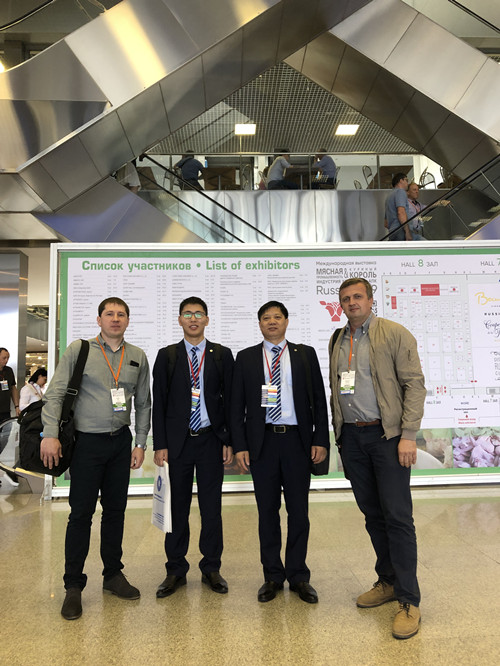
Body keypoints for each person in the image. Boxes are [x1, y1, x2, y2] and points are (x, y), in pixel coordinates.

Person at [41, 297, 151, 621]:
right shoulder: (80, 350)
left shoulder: (137, 356)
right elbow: (55, 393)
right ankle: (73, 586)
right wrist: (49, 434)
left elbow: (143, 403)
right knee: (81, 514)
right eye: (109, 314)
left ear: (128, 320)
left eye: (121, 314)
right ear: (99, 319)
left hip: (121, 443)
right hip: (86, 444)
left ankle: (113, 575)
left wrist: (140, 443)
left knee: (115, 512)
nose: (115, 319)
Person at [328, 278, 426, 639]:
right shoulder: (338, 339)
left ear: (371, 300)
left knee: (398, 518)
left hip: (388, 437)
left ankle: (409, 600)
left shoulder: (394, 333)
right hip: (353, 439)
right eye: (345, 299)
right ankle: (387, 581)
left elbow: (414, 385)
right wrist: (340, 436)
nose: (352, 302)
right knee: (373, 515)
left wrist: (408, 435)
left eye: (358, 296)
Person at [231, 301, 329, 604]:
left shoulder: (304, 354)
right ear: (259, 324)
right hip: (263, 443)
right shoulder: (246, 357)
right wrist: (241, 445)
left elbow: (318, 399)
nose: (272, 321)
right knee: (267, 512)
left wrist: (321, 439)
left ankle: (299, 575)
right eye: (266, 318)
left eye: (277, 317)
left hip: (297, 442)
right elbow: (236, 406)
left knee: (299, 512)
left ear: (286, 321)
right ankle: (272, 575)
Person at [152, 297, 234, 598]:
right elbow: (159, 402)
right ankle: (175, 569)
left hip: (211, 440)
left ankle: (211, 567)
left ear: (207, 320)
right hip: (178, 444)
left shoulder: (221, 354)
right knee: (177, 508)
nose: (193, 318)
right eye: (187, 314)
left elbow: (231, 401)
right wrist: (160, 444)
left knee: (211, 508)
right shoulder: (168, 355)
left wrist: (228, 440)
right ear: (180, 320)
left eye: (199, 313)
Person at [384, 173, 412, 241]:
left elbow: (386, 223)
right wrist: (407, 232)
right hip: (401, 231)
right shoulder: (400, 192)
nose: (407, 183)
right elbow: (401, 212)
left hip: (392, 232)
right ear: (401, 180)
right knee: (426, 244)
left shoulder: (389, 196)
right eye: (406, 180)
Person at [0, 348, 20, 423]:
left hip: (5, 410)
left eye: (8, 358)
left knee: (6, 429)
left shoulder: (9, 370)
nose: (6, 360)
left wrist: (17, 406)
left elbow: (13, 388)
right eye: (4, 358)